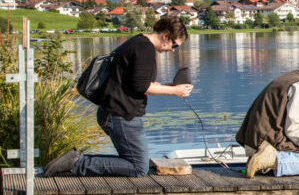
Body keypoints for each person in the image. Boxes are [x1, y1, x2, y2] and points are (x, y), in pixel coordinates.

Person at [43, 16, 193, 177]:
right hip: (121, 115)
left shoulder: (138, 42)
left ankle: (75, 161)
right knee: (138, 167)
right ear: (165, 36)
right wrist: (174, 91)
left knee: (134, 162)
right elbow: (142, 86)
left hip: (115, 112)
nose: (172, 50)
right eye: (174, 45)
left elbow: (136, 81)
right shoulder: (145, 49)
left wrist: (168, 86)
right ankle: (77, 163)